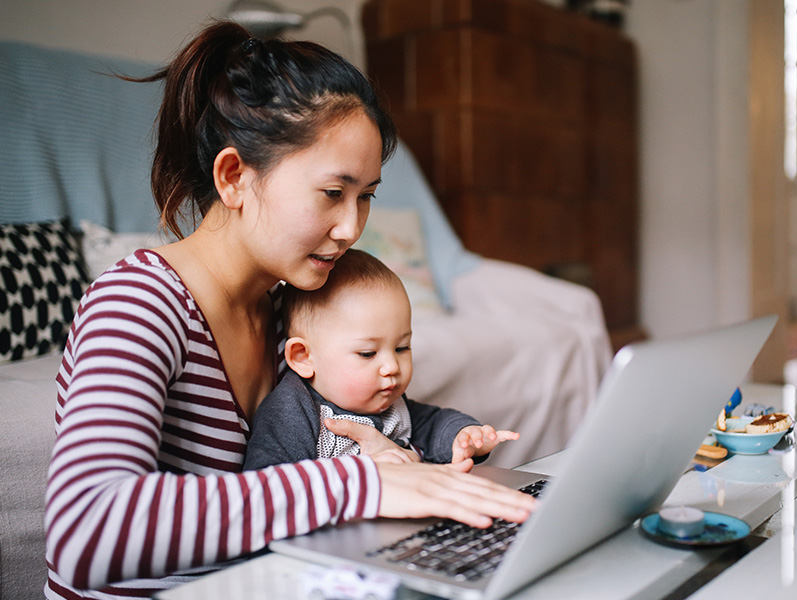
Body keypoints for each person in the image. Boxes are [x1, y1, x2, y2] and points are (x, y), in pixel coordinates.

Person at [44, 22, 536, 600]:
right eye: (333, 192)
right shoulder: (138, 305)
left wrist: (398, 459)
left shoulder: (293, 313)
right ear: (233, 177)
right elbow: (85, 531)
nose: (352, 228)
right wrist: (357, 483)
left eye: (367, 196)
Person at [245, 249, 519, 470]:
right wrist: (359, 473)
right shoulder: (293, 412)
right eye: (367, 353)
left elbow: (433, 423)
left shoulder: (390, 404)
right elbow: (270, 485)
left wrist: (464, 436)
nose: (392, 367)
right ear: (304, 358)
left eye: (402, 347)